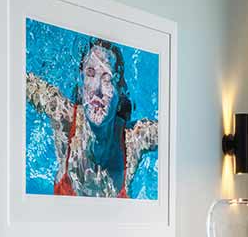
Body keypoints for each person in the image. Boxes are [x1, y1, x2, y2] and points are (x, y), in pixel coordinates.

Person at [26, 37, 157, 198]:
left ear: (119, 92)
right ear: (81, 88)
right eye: (90, 74)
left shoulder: (135, 139)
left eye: (107, 79)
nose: (97, 88)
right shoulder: (64, 117)